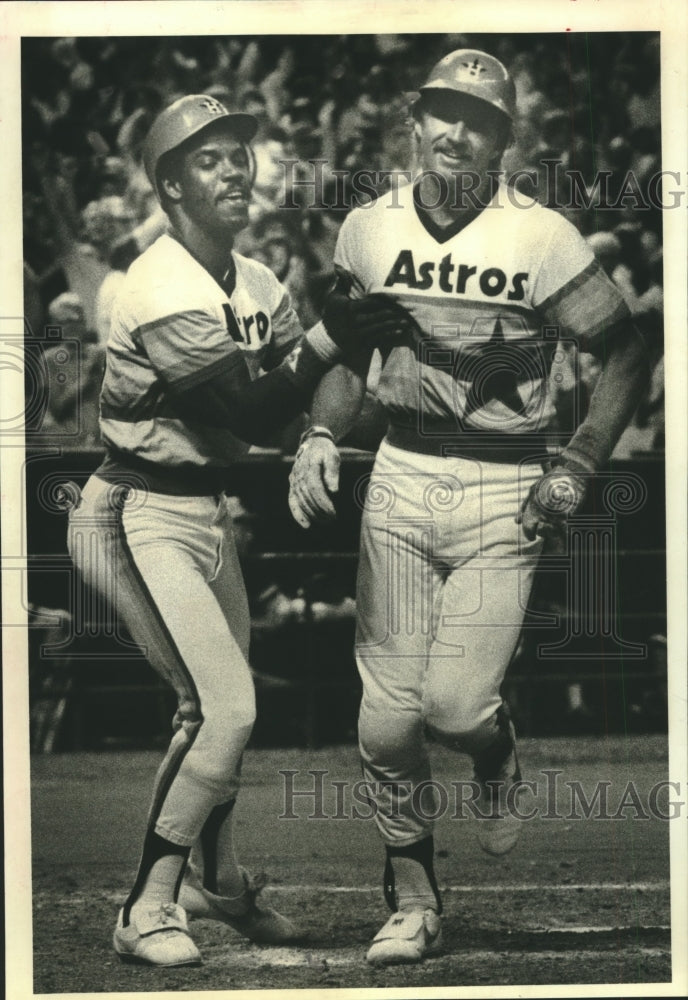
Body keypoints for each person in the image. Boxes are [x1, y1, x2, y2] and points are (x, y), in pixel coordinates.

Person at [288, 49, 651, 966]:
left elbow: (626, 351)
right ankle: (413, 896)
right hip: (400, 472)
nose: (457, 133)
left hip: (505, 485)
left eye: (479, 120)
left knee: (452, 709)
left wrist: (578, 461)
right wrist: (323, 434)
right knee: (383, 719)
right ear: (414, 122)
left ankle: (493, 751)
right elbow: (342, 350)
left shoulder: (543, 236)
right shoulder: (369, 227)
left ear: (504, 138)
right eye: (443, 114)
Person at [66, 93, 408, 968]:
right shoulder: (154, 282)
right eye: (209, 158)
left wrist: (334, 425)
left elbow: (309, 393)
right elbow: (251, 405)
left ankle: (216, 880)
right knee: (228, 709)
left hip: (207, 509)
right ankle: (144, 905)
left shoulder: (255, 282)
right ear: (170, 182)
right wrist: (332, 339)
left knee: (211, 713)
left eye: (238, 154)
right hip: (131, 510)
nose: (234, 170)